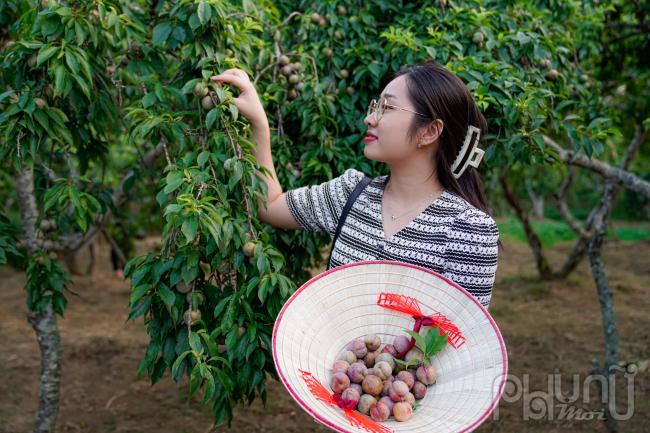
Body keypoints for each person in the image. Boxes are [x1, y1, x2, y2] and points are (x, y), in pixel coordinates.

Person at [211, 61, 499, 309]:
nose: (369, 118)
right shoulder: (351, 193)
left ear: (430, 131)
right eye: (376, 106)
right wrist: (259, 125)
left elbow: (464, 343)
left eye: (386, 107)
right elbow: (270, 205)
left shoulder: (469, 229)